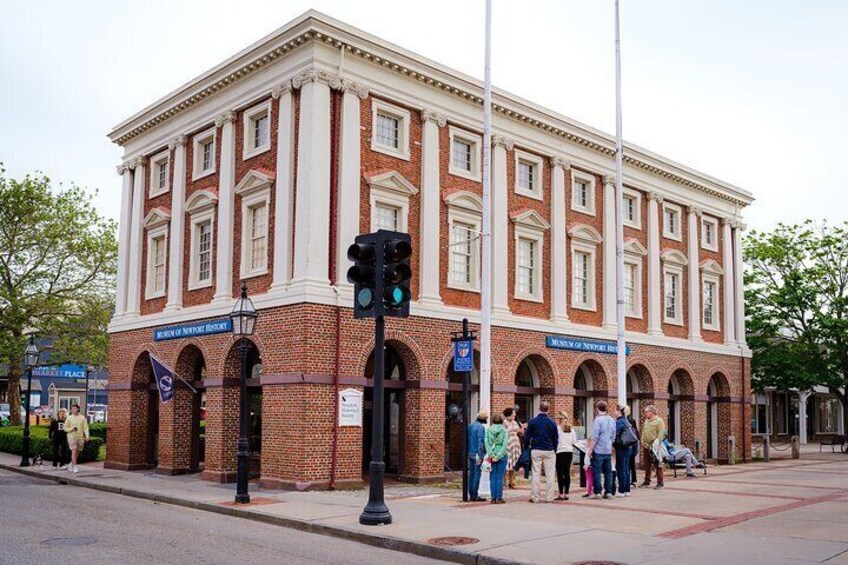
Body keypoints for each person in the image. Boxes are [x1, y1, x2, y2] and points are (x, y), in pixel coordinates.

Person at [525, 401, 558, 503]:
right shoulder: (552, 422)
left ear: (539, 409)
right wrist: (554, 449)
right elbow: (555, 438)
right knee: (550, 474)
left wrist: (526, 446)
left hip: (536, 449)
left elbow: (527, 436)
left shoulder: (533, 421)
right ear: (548, 410)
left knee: (535, 474)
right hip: (549, 450)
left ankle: (535, 497)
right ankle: (549, 498)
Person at [587, 400, 616, 499]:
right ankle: (608, 492)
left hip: (599, 449)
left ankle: (597, 492)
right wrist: (610, 444)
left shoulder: (598, 420)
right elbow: (613, 435)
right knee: (608, 472)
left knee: (597, 471)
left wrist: (590, 449)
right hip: (608, 449)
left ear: (597, 408)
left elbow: (595, 436)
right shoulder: (612, 420)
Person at [639, 405, 665, 489]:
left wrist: (656, 444)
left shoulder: (659, 421)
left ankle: (660, 483)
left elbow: (661, 434)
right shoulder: (646, 421)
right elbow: (643, 432)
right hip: (646, 446)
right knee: (647, 465)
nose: (645, 414)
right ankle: (647, 481)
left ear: (652, 412)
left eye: (646, 412)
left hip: (654, 447)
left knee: (657, 464)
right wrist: (642, 441)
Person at [613, 404, 637, 498]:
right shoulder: (626, 421)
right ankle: (627, 490)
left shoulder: (619, 422)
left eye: (615, 410)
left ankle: (621, 490)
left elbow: (614, 434)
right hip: (628, 447)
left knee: (621, 468)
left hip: (621, 447)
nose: (613, 412)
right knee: (626, 468)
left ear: (619, 411)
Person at [485, 413, 509, 504]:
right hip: (502, 455)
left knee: (492, 477)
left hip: (492, 453)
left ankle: (493, 498)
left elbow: (486, 443)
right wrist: (499, 456)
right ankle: (499, 497)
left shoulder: (489, 430)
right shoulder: (504, 430)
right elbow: (504, 444)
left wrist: (491, 455)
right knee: (500, 477)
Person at [467, 409, 488, 501]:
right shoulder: (480, 427)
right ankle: (474, 495)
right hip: (477, 454)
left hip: (470, 452)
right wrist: (481, 455)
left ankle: (471, 493)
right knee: (476, 475)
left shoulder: (470, 426)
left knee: (471, 474)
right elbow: (480, 442)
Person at [555, 411, 576, 500]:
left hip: (560, 452)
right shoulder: (571, 429)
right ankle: (567, 493)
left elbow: (555, 440)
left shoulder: (557, 429)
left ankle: (560, 493)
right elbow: (574, 441)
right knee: (567, 472)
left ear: (559, 419)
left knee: (560, 473)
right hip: (569, 452)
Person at [64, 404, 89, 473]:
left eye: (74, 408)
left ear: (78, 409)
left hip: (80, 437)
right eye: (72, 408)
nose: (73, 409)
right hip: (71, 437)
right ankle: (75, 466)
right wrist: (72, 429)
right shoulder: (69, 418)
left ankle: (70, 464)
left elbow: (86, 428)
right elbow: (65, 428)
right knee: (74, 450)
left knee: (77, 452)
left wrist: (87, 436)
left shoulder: (82, 418)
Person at [503, 407, 523, 489]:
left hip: (515, 443)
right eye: (513, 413)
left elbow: (519, 432)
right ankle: (503, 482)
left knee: (514, 463)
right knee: (507, 462)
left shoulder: (515, 422)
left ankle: (512, 482)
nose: (514, 415)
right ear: (509, 414)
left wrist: (521, 429)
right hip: (508, 443)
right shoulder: (504, 422)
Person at [625, 406, 639, 486]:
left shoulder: (628, 422)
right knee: (632, 464)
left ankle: (630, 479)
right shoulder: (632, 422)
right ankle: (633, 479)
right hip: (633, 448)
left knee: (628, 464)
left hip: (629, 448)